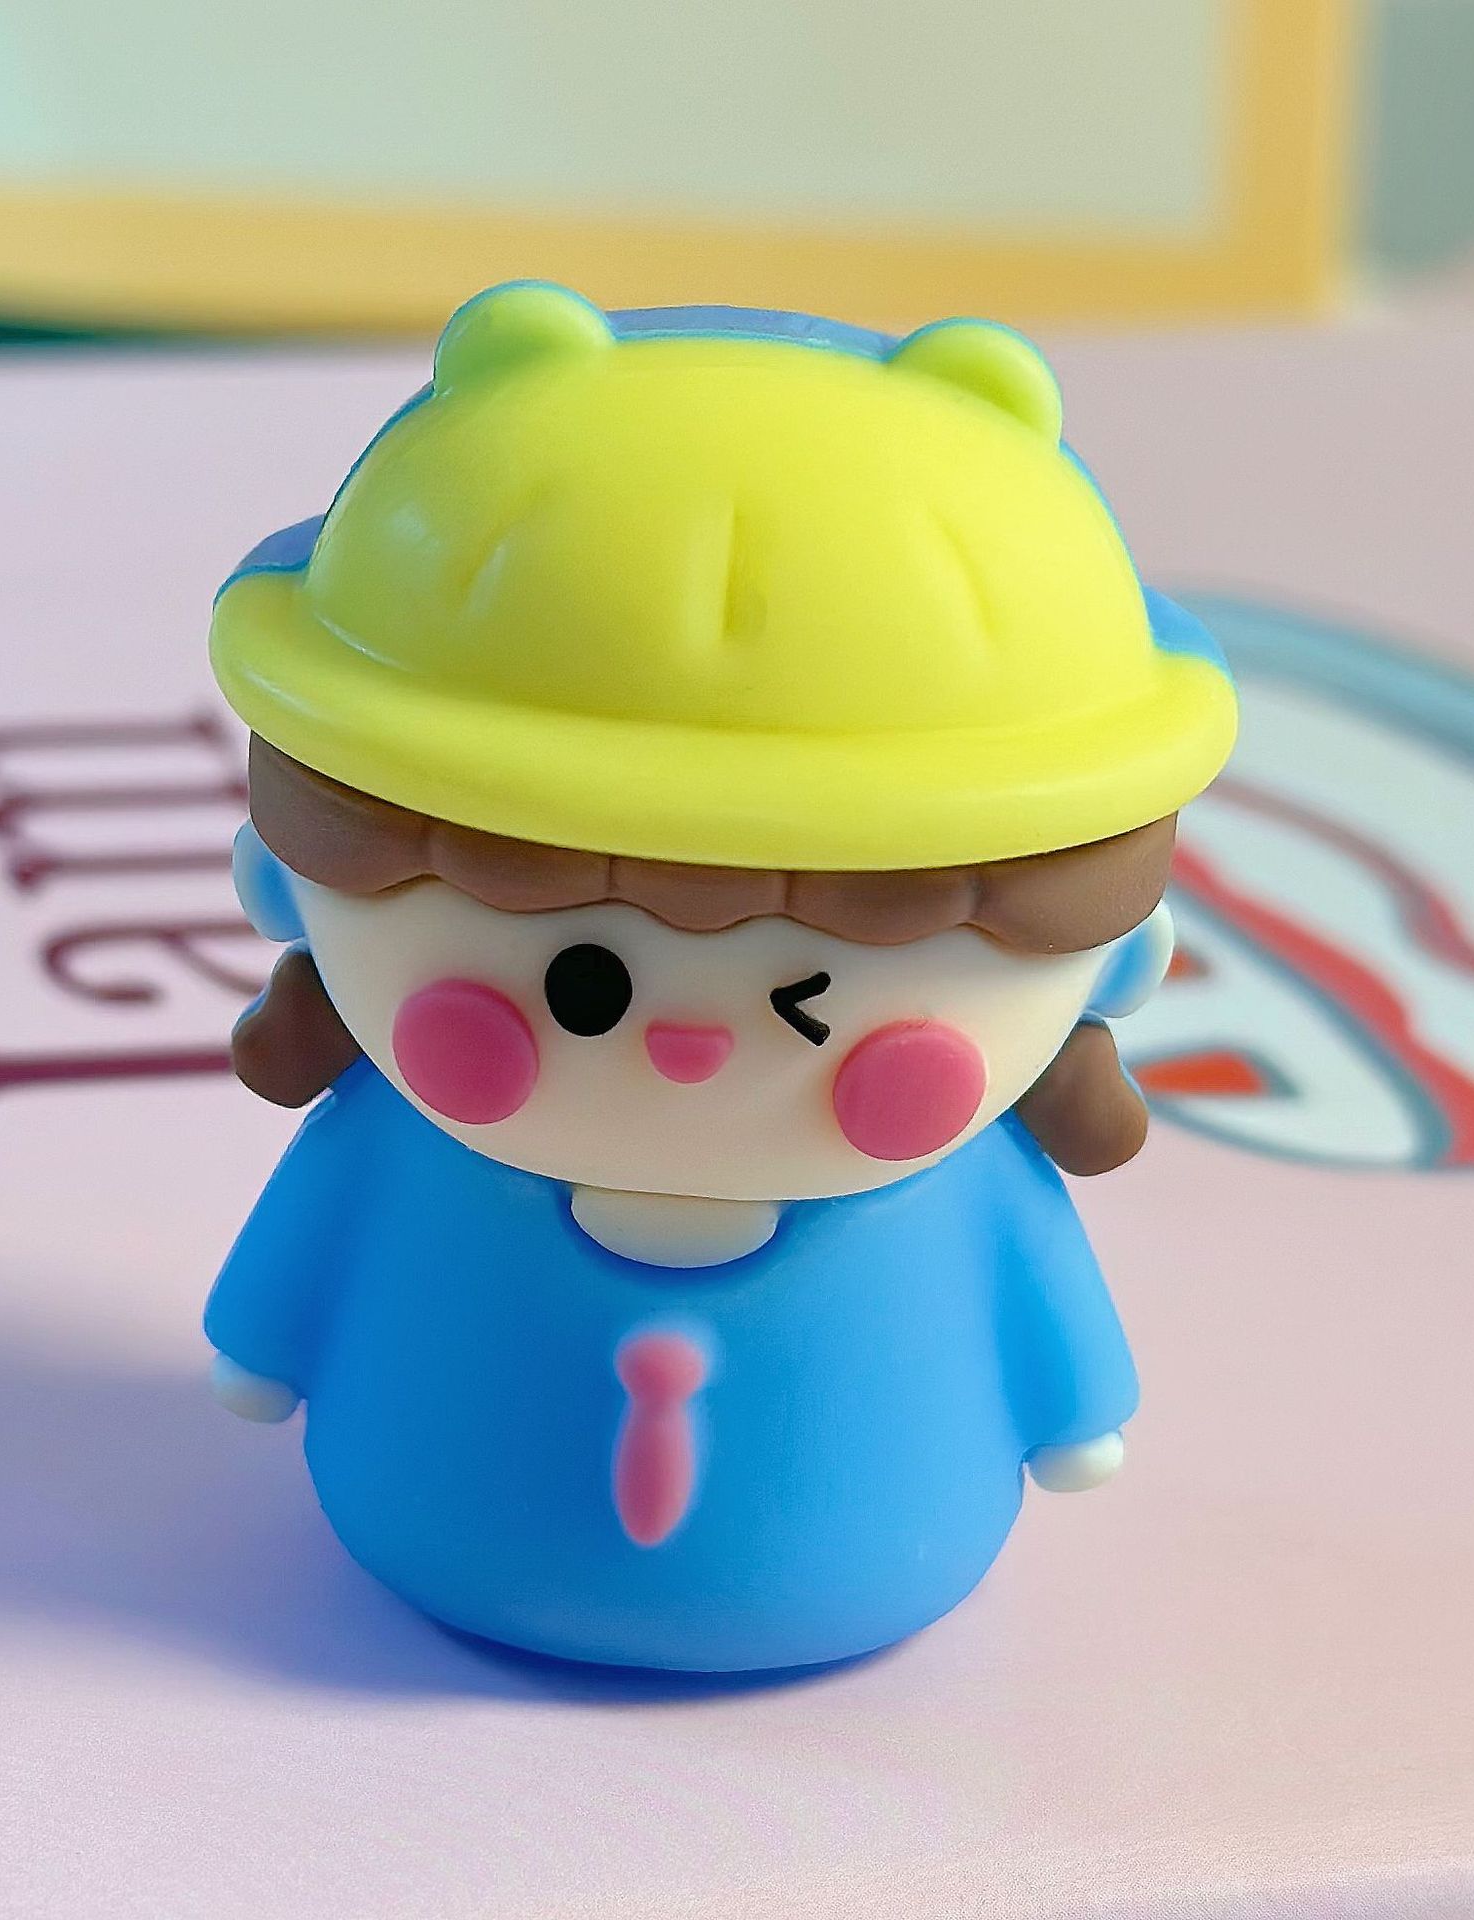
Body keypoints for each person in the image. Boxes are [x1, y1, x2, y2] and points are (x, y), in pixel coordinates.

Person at [203, 283, 1237, 1671]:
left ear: (1113, 963)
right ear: (291, 887)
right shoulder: (402, 1151)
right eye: (582, 985)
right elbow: (306, 1251)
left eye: (812, 1003)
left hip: (878, 1538)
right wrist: (263, 1335)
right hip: (425, 1513)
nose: (687, 1045)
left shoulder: (954, 1201)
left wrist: (1074, 1401)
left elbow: (1035, 1297)